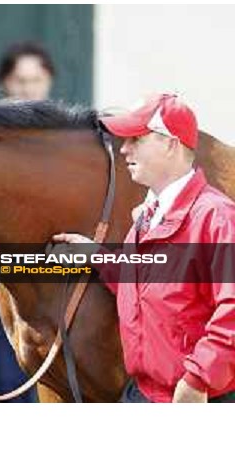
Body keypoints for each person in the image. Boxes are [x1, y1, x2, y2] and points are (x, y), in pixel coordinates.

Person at [54, 93, 235, 403]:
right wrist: (96, 256)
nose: (124, 149)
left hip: (196, 399)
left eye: (136, 139)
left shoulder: (216, 216)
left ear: (171, 143)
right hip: (142, 393)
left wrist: (197, 379)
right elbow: (143, 283)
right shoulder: (149, 213)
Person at [0, 42, 57, 403]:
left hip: (52, 266)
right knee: (7, 374)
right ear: (6, 82)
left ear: (48, 81)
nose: (28, 88)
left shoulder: (64, 132)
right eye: (20, 80)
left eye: (36, 79)